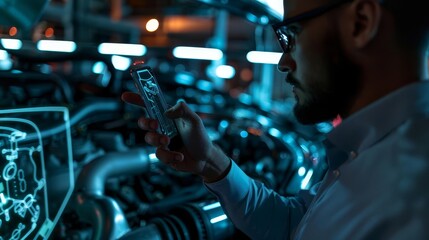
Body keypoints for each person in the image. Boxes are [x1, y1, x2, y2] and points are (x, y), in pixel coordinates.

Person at [122, 0, 429, 238]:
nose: (284, 62)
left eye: (291, 34)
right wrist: (212, 163)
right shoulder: (367, 150)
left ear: (360, 23)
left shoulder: (413, 200)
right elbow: (295, 226)